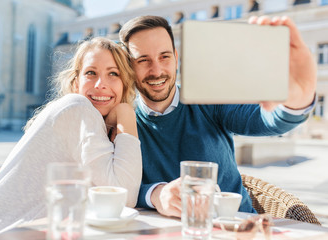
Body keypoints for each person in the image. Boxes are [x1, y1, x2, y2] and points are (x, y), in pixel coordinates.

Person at [119, 15, 316, 218]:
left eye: (164, 57)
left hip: (236, 226)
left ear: (176, 58)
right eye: (143, 60)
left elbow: (265, 119)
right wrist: (154, 194)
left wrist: (297, 99)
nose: (157, 70)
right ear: (128, 67)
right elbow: (115, 185)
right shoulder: (123, 121)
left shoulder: (207, 98)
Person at [0, 37, 142, 239]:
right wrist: (126, 113)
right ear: (76, 83)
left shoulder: (89, 123)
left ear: (125, 83)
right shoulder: (77, 108)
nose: (101, 84)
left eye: (113, 73)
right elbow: (124, 197)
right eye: (91, 73)